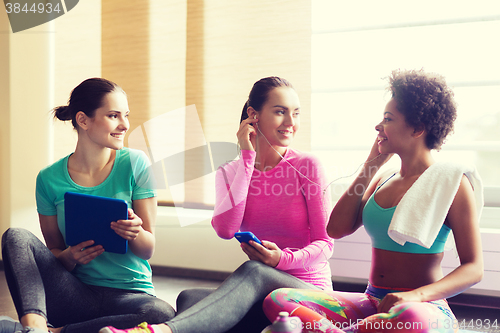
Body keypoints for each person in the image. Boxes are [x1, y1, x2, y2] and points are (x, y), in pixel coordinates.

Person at [100, 76, 334, 333]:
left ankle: (159, 332)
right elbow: (225, 230)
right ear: (253, 116)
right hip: (266, 294)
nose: (291, 122)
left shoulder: (308, 166)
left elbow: (326, 244)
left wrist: (281, 259)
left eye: (296, 113)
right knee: (189, 299)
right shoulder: (230, 171)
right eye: (280, 112)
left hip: (309, 294)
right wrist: (247, 161)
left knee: (253, 271)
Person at [262, 69, 484, 333]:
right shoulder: (383, 178)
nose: (378, 127)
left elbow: (474, 268)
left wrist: (415, 296)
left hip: (424, 309)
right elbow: (336, 229)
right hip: (372, 302)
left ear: (417, 128)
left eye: (388, 119)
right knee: (280, 299)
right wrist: (371, 164)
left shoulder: (452, 182)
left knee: (409, 315)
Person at [1, 78, 175, 333]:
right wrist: (70, 257)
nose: (124, 125)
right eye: (113, 115)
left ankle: (54, 332)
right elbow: (55, 251)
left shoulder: (136, 163)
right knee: (15, 236)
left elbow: (148, 249)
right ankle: (35, 326)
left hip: (128, 295)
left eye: (126, 115)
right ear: (83, 120)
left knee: (160, 313)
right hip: (74, 293)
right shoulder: (49, 179)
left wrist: (135, 232)